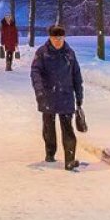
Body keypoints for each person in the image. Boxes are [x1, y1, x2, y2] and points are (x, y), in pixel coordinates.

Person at [30, 25, 84, 171]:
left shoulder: (69, 53)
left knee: (68, 129)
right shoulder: (42, 53)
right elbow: (35, 73)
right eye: (55, 38)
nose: (58, 41)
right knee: (49, 126)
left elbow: (76, 75)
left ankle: (69, 160)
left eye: (61, 38)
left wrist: (79, 96)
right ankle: (50, 152)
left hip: (66, 95)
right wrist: (39, 91)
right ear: (50, 38)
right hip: (48, 95)